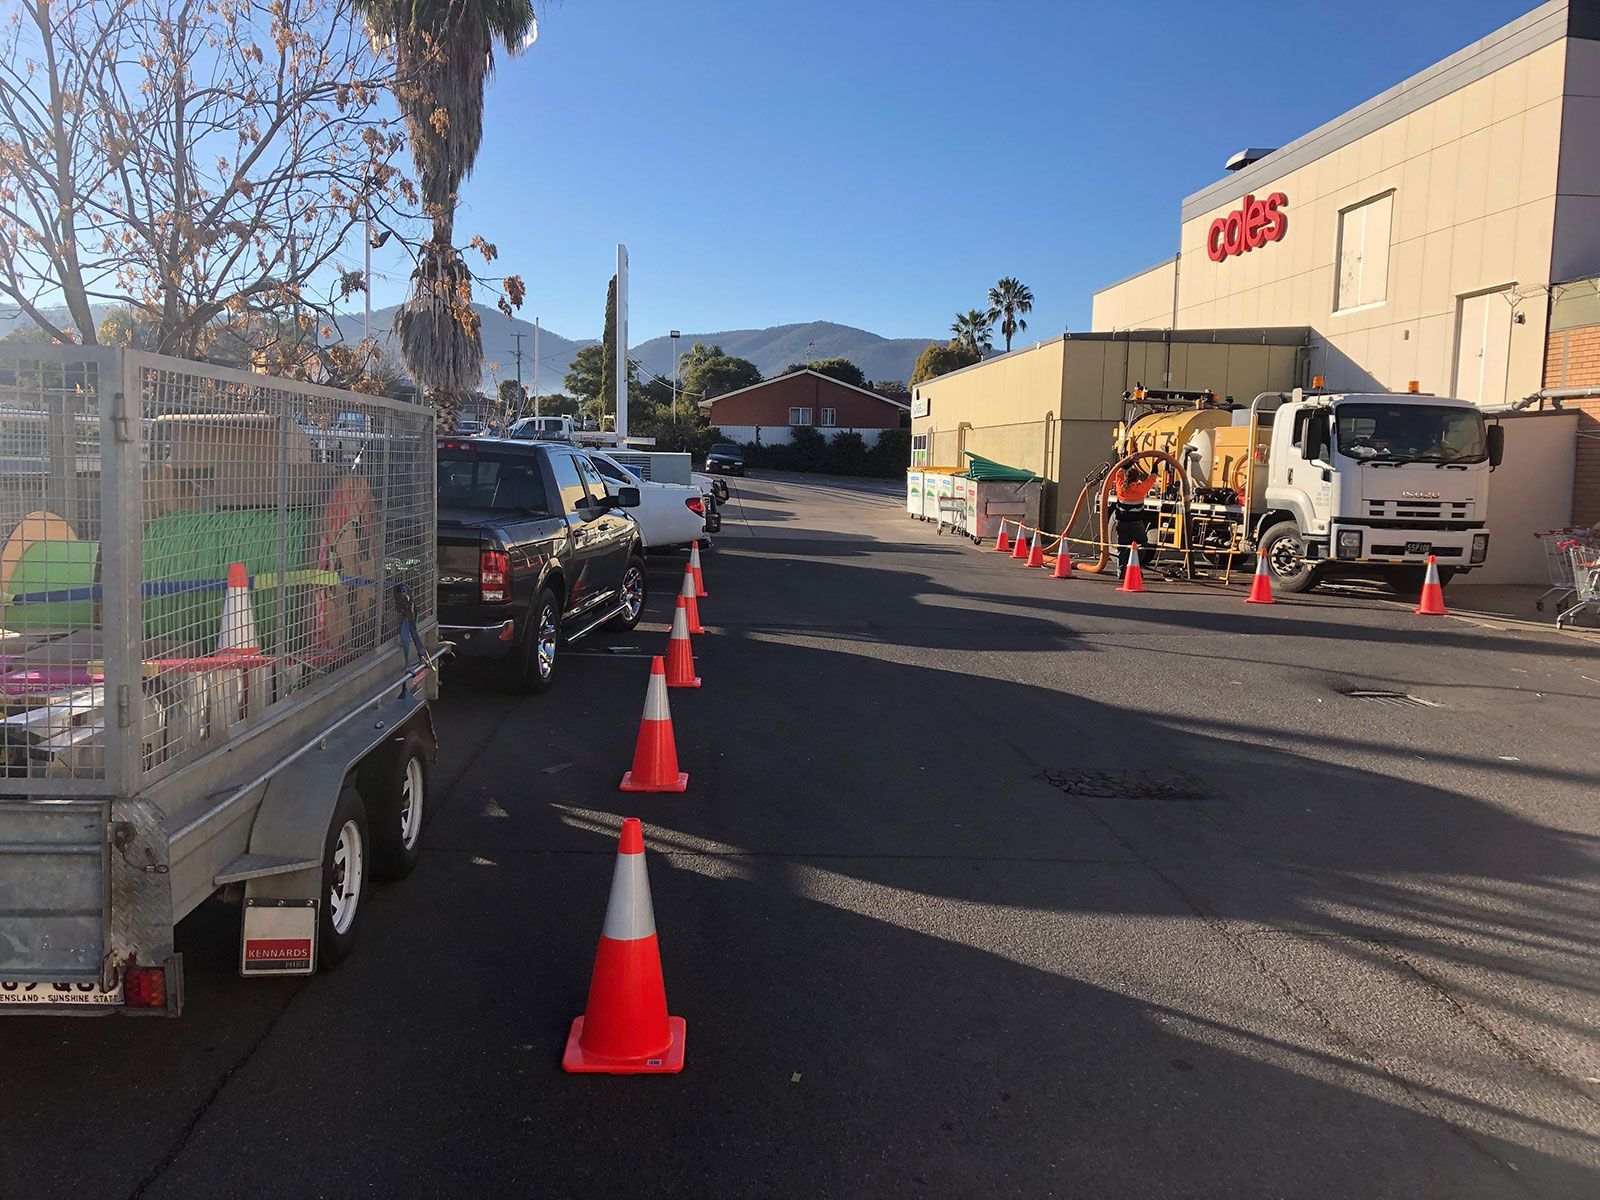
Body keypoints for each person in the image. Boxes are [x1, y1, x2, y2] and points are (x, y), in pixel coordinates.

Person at [1110, 462, 1157, 569]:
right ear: (1137, 478)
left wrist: (1130, 461)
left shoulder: (1121, 488)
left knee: (1122, 547)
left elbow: (1118, 473)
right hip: (1136, 524)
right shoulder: (1141, 489)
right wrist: (1155, 464)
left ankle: (1121, 570)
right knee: (1142, 543)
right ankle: (1135, 568)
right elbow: (1152, 478)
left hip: (1121, 523)